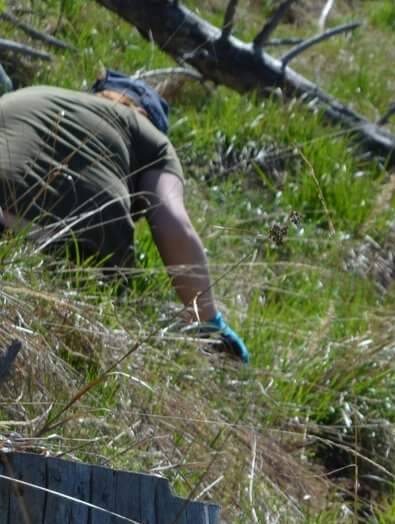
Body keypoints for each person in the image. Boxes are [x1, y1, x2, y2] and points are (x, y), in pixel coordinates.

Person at [0, 73, 247, 362]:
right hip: (66, 249)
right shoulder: (152, 139)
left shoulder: (38, 91)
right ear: (145, 115)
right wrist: (208, 322)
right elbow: (173, 223)